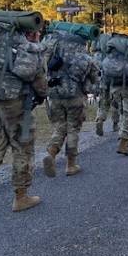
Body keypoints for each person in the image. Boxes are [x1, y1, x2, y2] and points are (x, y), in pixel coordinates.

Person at [0, 23, 48, 227]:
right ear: (29, 30)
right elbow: (39, 79)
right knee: (22, 149)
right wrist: (42, 94)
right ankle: (21, 197)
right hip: (16, 105)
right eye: (37, 31)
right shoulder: (25, 46)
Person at [42, 28, 99, 177]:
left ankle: (51, 153)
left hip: (55, 95)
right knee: (73, 129)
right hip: (75, 97)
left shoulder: (54, 54)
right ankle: (70, 165)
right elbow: (95, 79)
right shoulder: (85, 58)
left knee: (60, 128)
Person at [93, 34, 120, 136]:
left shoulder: (97, 55)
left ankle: (100, 119)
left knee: (103, 102)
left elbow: (94, 71)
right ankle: (115, 124)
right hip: (113, 81)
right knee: (115, 103)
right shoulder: (113, 54)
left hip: (102, 81)